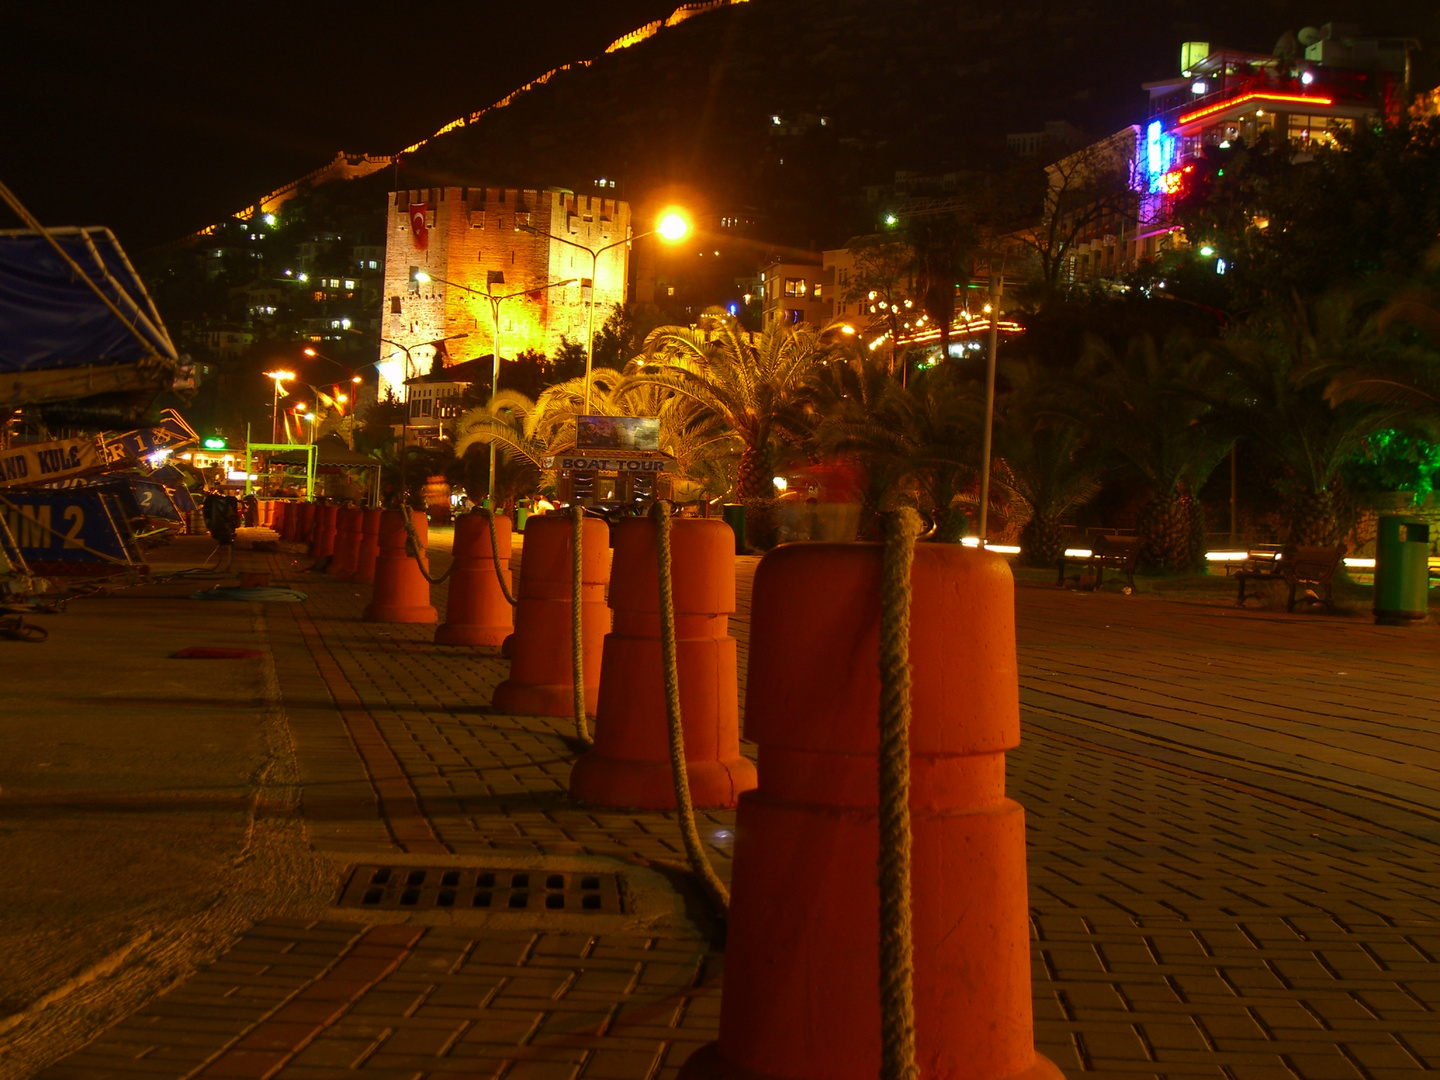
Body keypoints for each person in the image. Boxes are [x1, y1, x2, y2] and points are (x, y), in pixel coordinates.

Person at [202, 489, 241, 571]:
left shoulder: (211, 502)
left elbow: (207, 515)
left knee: (225, 541)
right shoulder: (227, 505)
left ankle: (225, 565)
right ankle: (227, 566)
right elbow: (235, 521)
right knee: (228, 543)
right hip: (225, 529)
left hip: (216, 528)